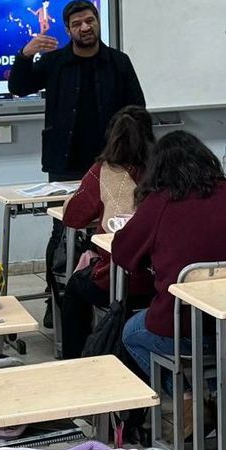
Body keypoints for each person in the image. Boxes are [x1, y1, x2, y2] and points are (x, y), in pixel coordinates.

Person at [116, 131, 226, 436]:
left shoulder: (159, 203)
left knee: (131, 333)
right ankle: (221, 401)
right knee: (209, 331)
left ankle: (188, 402)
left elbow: (123, 252)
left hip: (184, 331)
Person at [8, 0, 145, 324]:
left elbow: (137, 110)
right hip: (65, 162)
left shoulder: (118, 62)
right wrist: (25, 55)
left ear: (97, 22)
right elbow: (19, 86)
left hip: (112, 163)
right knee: (63, 232)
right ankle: (57, 301)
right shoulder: (55, 62)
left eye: (90, 21)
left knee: (113, 228)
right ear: (68, 30)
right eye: (77, 24)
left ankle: (109, 293)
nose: (85, 28)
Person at [58, 106, 155, 359]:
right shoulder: (163, 169)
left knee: (75, 288)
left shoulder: (103, 170)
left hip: (117, 280)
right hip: (161, 279)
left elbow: (74, 217)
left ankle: (74, 359)